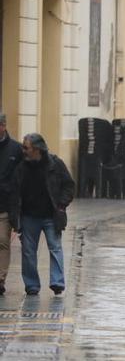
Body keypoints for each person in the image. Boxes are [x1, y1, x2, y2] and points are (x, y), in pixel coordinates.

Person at [9, 134, 75, 296]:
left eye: (26, 147)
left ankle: (57, 282)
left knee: (55, 248)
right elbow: (14, 193)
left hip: (52, 215)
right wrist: (15, 219)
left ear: (37, 149)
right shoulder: (21, 168)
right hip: (29, 216)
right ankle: (32, 285)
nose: (22, 150)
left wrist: (61, 205)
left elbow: (69, 185)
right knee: (28, 252)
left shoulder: (55, 164)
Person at [0, 114, 22, 295]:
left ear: (3, 126)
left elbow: (22, 177)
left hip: (5, 206)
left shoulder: (16, 149)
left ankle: (0, 279)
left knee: (2, 241)